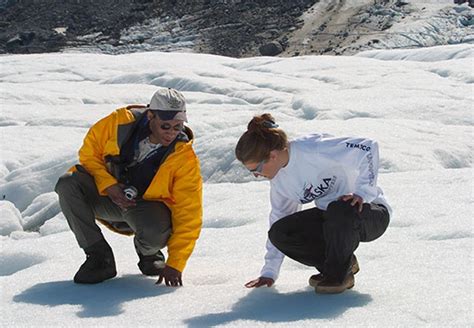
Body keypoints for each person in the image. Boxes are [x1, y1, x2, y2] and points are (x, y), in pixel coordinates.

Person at [55, 87, 202, 287]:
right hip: (108, 196)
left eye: (178, 126)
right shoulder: (119, 123)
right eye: (165, 126)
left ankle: (148, 253)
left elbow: (189, 213)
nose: (171, 133)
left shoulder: (184, 158)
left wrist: (176, 264)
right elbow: (89, 153)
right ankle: (99, 257)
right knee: (67, 184)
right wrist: (109, 186)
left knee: (155, 232)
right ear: (151, 116)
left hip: (146, 209)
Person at [235, 113, 391, 294]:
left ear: (272, 155)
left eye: (257, 169)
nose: (256, 175)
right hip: (333, 220)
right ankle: (341, 266)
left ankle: (337, 276)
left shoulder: (313, 148)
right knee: (280, 232)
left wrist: (362, 193)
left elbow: (367, 147)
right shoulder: (280, 182)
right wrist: (269, 272)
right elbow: (279, 218)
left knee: (339, 208)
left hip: (370, 213)